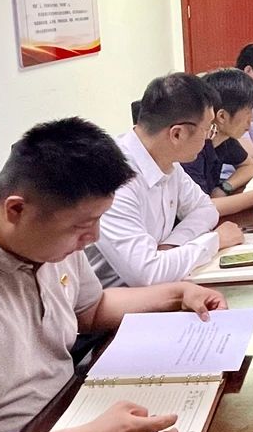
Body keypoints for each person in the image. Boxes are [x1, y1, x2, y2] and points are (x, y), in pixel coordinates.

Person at [0, 118, 228, 432]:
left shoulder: (46, 237)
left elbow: (90, 309)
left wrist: (176, 294)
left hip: (71, 414)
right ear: (16, 210)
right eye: (82, 226)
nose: (93, 237)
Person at [89, 73, 244, 287]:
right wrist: (214, 242)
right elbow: (147, 275)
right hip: (115, 299)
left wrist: (172, 245)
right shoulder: (114, 178)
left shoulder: (165, 160)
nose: (209, 137)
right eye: (208, 129)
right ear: (177, 134)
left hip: (157, 288)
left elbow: (205, 208)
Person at [182, 68, 253, 215]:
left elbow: (248, 166)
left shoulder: (224, 139)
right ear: (222, 117)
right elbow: (201, 209)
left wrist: (224, 188)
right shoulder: (191, 150)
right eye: (248, 112)